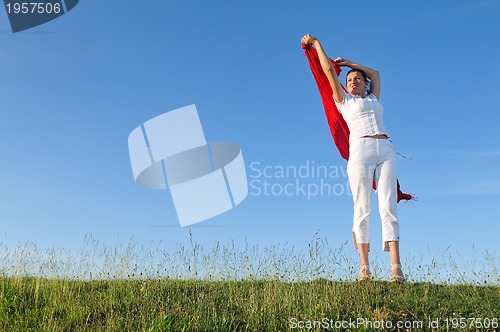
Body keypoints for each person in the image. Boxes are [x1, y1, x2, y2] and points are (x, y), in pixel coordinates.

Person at [301, 34, 405, 283]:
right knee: (362, 208)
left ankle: (396, 268)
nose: (353, 81)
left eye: (357, 78)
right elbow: (327, 70)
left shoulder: (372, 98)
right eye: (349, 80)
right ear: (345, 86)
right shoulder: (344, 101)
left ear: (365, 84)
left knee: (387, 207)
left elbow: (377, 74)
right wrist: (316, 45)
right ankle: (364, 268)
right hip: (360, 151)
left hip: (386, 149)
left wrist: (351, 64)